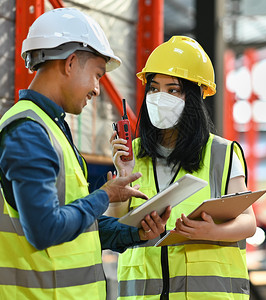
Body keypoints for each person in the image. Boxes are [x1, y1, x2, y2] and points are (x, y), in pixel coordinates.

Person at [0, 8, 170, 299]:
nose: (98, 90)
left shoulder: (51, 129)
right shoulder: (29, 132)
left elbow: (80, 226)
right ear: (70, 63)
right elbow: (45, 229)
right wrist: (105, 195)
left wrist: (136, 233)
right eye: (97, 75)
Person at [108, 36, 257, 300]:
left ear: (194, 95)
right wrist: (123, 175)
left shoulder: (221, 153)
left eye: (173, 89)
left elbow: (248, 222)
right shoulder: (134, 153)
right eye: (153, 88)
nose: (159, 97)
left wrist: (214, 232)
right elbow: (115, 226)